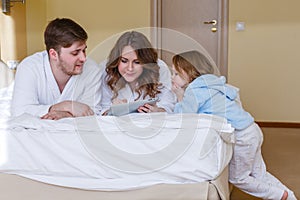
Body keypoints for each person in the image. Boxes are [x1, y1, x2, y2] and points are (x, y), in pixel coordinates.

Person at [171, 50, 296, 200]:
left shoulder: (194, 91)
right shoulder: (213, 82)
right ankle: (289, 196)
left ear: (190, 72)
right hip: (252, 128)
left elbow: (185, 118)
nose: (172, 78)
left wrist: (179, 96)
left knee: (239, 178)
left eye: (176, 74)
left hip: (241, 136)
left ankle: (278, 195)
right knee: (258, 173)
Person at [11, 18, 102, 120]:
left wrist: (66, 115)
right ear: (53, 54)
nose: (83, 58)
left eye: (84, 50)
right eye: (75, 53)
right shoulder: (29, 67)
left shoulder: (92, 70)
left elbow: (92, 112)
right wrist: (66, 106)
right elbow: (19, 111)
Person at [99, 31, 175, 115]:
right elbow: (99, 111)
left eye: (137, 62)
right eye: (124, 61)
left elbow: (169, 106)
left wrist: (158, 111)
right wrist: (112, 111)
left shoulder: (160, 68)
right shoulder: (105, 71)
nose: (130, 68)